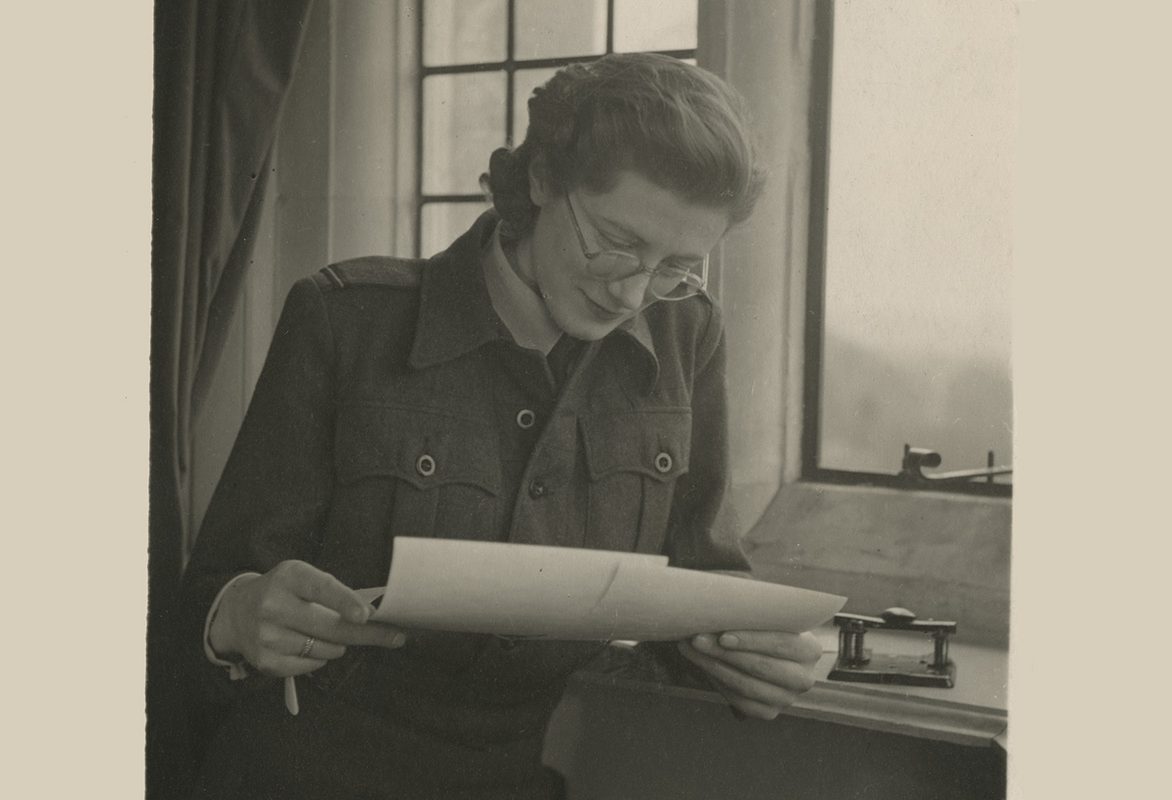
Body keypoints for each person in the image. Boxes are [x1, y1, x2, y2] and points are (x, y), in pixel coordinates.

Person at [177, 52, 822, 799]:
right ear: (542, 180)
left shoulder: (688, 335)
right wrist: (237, 616)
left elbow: (701, 582)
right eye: (616, 244)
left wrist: (752, 658)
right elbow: (206, 600)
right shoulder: (345, 320)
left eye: (677, 266)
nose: (633, 293)